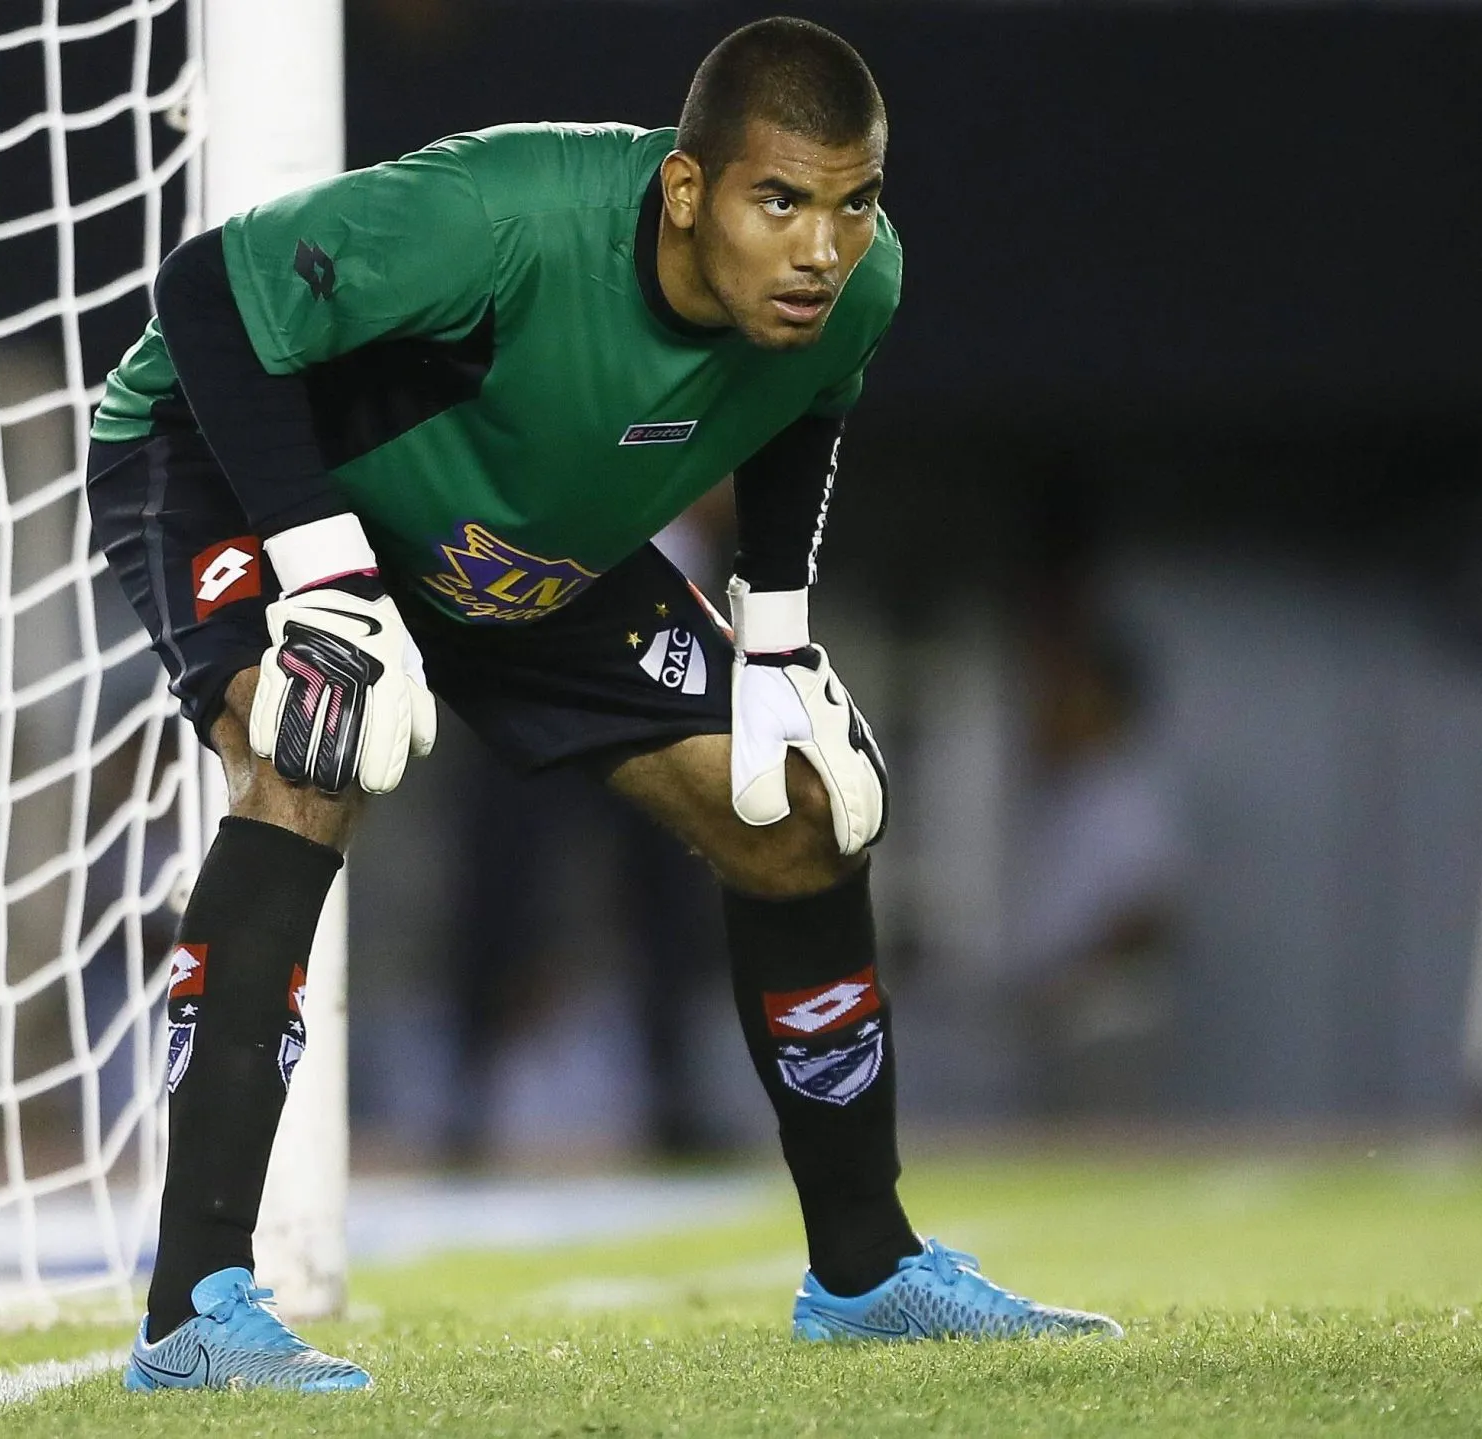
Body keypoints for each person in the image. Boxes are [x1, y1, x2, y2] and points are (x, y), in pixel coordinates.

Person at [85, 16, 1120, 1393]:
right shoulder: (502, 214)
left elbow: (803, 405)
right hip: (244, 469)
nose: (822, 247)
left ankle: (868, 1271)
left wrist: (780, 634)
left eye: (852, 202)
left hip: (512, 542)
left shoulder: (855, 288)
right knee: (306, 746)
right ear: (687, 192)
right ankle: (190, 1315)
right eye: (781, 201)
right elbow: (210, 293)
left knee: (799, 807)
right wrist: (326, 573)